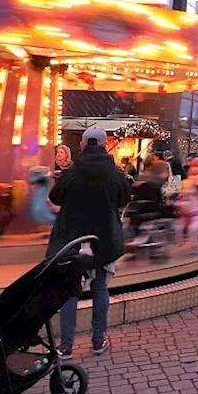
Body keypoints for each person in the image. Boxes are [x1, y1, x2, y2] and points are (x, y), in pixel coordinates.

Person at [47, 126, 131, 359]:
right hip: (103, 239)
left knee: (70, 291)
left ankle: (65, 346)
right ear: (105, 145)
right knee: (100, 287)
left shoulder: (72, 172)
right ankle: (97, 340)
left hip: (73, 238)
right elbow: (125, 198)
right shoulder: (115, 173)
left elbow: (55, 197)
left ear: (82, 145)